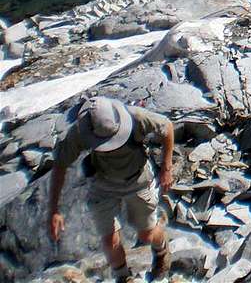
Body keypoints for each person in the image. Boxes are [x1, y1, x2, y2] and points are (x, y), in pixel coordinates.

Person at [48, 97, 174, 282]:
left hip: (138, 180)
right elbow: (60, 165)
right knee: (109, 239)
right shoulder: (79, 132)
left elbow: (167, 127)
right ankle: (123, 277)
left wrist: (166, 167)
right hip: (102, 184)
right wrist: (54, 209)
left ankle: (162, 249)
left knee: (146, 234)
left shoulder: (137, 117)